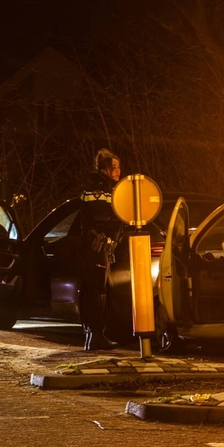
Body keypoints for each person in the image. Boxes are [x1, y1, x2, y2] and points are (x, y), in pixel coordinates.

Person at [78, 148, 123, 351]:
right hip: (97, 246)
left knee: (98, 291)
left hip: (103, 246)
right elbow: (98, 216)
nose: (118, 170)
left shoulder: (112, 189)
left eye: (118, 166)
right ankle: (94, 336)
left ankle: (94, 335)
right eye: (113, 167)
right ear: (104, 169)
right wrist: (109, 233)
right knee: (96, 292)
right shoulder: (97, 190)